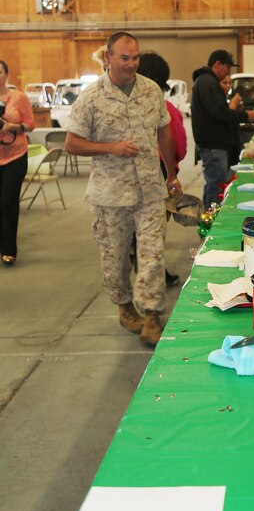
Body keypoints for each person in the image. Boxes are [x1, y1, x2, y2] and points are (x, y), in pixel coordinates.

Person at [65, 31, 182, 347]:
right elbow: (72, 143)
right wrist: (110, 147)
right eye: (125, 58)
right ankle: (124, 306)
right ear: (109, 58)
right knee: (115, 259)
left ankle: (153, 315)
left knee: (152, 255)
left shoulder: (150, 90)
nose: (132, 64)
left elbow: (164, 133)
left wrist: (171, 175)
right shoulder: (91, 97)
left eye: (136, 58)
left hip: (150, 190)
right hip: (111, 195)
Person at [137, 50, 188, 288]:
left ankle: (142, 271)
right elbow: (178, 143)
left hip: (126, 180)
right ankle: (154, 278)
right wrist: (173, 173)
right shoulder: (165, 107)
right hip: (158, 173)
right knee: (155, 232)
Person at [191, 50, 254, 209]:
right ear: (218, 64)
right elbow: (219, 112)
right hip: (214, 144)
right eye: (228, 68)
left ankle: (210, 219)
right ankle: (212, 222)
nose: (228, 73)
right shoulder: (208, 82)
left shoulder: (206, 81)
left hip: (213, 144)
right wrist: (244, 115)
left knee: (215, 184)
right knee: (216, 185)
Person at [0, 60, 35, 266]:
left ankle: (9, 249)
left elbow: (31, 124)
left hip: (15, 155)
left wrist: (13, 126)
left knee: (7, 201)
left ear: (6, 74)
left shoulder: (18, 97)